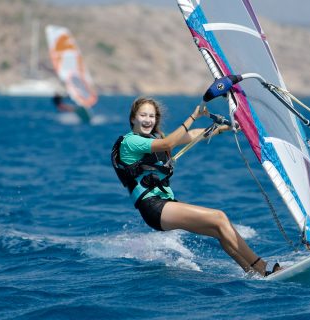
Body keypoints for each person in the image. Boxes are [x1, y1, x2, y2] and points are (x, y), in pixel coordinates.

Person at [111, 97, 281, 277]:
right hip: (153, 206)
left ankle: (251, 271)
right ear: (133, 118)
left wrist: (226, 128)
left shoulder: (154, 139)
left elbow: (193, 135)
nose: (147, 120)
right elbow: (168, 144)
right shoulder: (130, 142)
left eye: (151, 116)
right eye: (143, 115)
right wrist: (194, 115)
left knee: (219, 229)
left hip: (163, 203)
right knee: (219, 217)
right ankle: (262, 266)